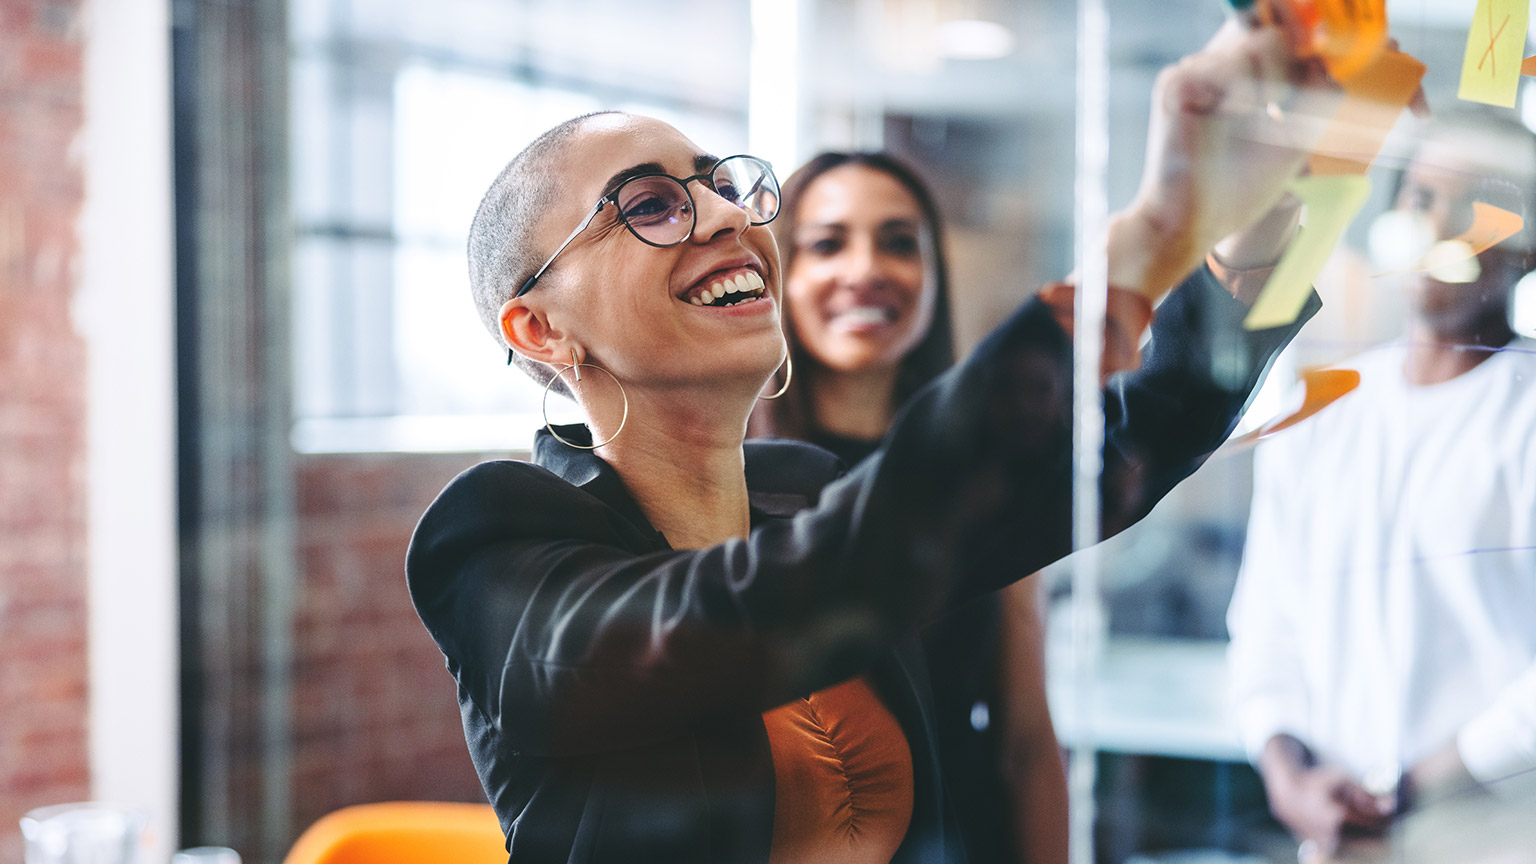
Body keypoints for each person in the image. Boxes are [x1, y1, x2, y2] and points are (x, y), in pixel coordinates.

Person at [408, 18, 1333, 864]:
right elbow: (770, 599)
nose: (731, 216)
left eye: (723, 185)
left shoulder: (805, 489)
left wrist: (1271, 233)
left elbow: (1115, 459)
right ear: (540, 331)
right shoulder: (494, 542)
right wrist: (1151, 235)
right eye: (650, 204)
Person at [1227, 111, 1536, 861]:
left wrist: (1409, 791)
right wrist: (1289, 776)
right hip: (1339, 840)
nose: (1441, 229)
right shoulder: (1323, 405)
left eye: (1477, 208)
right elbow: (1265, 627)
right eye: (1423, 199)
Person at [746, 151, 1067, 864]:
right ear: (781, 276)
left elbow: (1027, 740)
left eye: (898, 242)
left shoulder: (989, 470)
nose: (866, 269)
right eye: (827, 243)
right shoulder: (726, 477)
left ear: (932, 277)